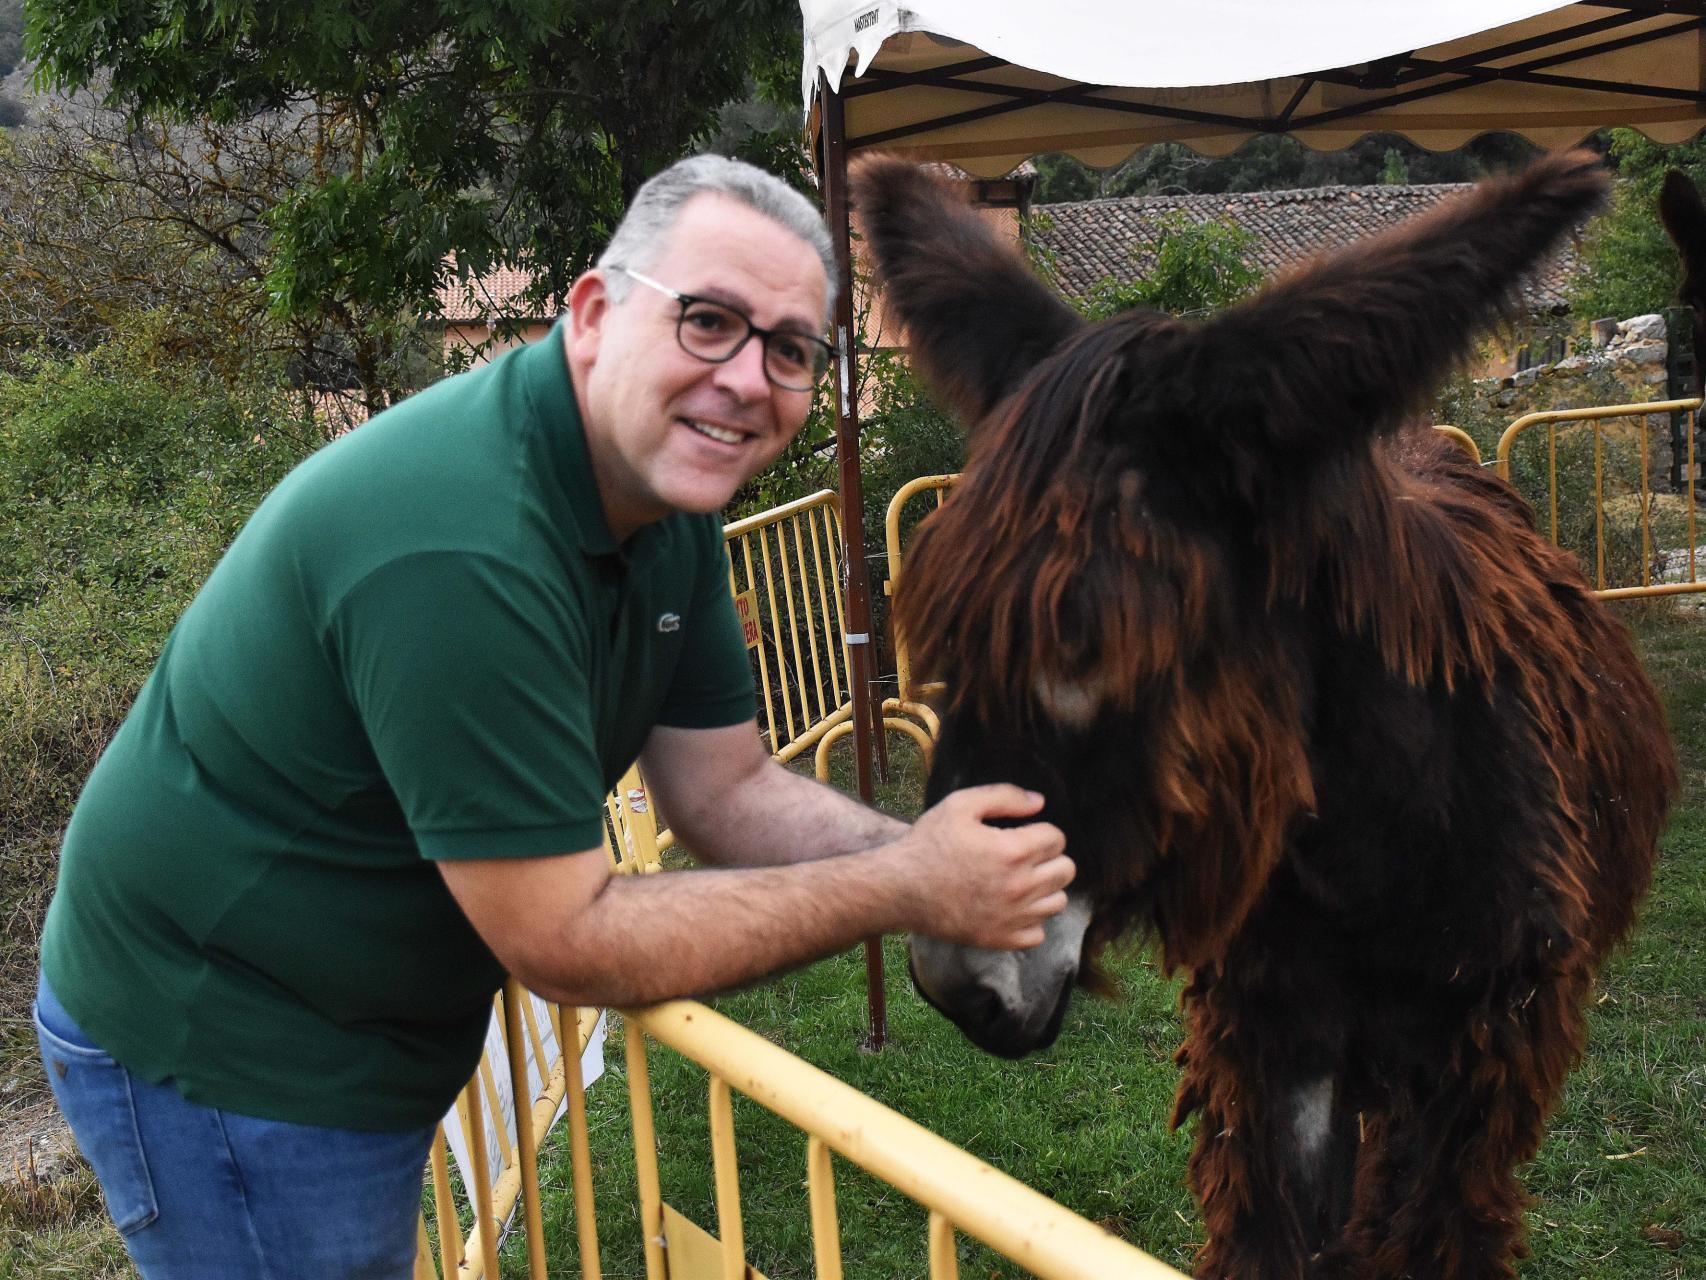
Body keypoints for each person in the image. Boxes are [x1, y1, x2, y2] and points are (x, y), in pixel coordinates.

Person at [32, 153, 1073, 1278]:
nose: (745, 376)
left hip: (356, 1021)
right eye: (709, 320)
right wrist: (907, 881)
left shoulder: (659, 501)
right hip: (225, 1041)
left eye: (789, 348)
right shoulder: (461, 545)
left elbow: (726, 790)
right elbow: (564, 937)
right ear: (590, 312)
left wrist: (934, 859)